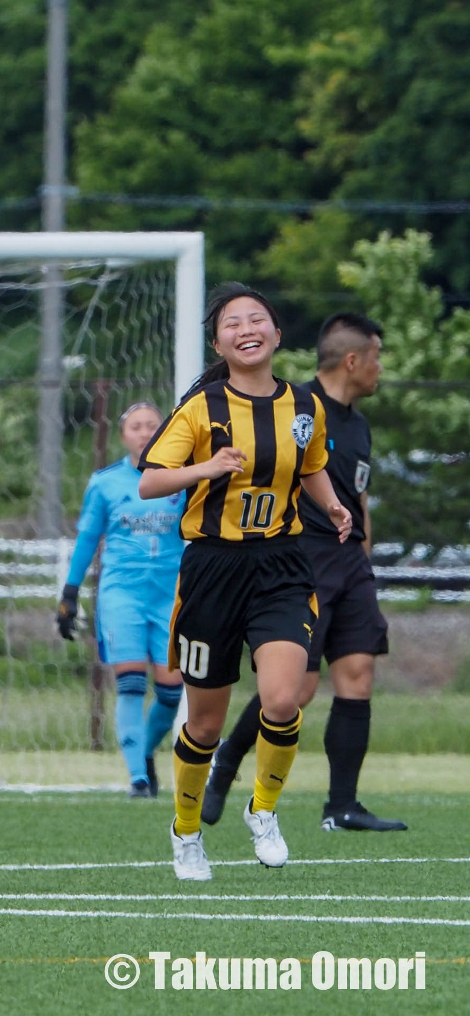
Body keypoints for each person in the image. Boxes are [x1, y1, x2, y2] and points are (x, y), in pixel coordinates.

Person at [138, 281, 352, 882]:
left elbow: (310, 467)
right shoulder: (202, 409)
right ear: (218, 343)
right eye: (233, 323)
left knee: (283, 701)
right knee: (204, 724)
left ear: (278, 335)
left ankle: (263, 810)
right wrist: (207, 467)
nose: (247, 329)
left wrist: (333, 506)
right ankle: (185, 833)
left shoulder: (304, 405)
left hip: (282, 566)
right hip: (211, 570)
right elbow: (150, 481)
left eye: (258, 319)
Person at [201, 313, 405, 832]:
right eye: (377, 356)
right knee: (297, 691)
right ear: (353, 360)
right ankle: (226, 761)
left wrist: (365, 557)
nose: (381, 368)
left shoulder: (359, 425)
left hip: (351, 564)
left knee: (358, 675)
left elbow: (357, 499)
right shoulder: (295, 405)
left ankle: (341, 807)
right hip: (301, 560)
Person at [57, 402, 185, 798]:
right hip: (122, 596)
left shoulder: (182, 480)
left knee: (171, 690)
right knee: (130, 684)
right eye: (136, 427)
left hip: (171, 597)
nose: (145, 432)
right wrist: (70, 592)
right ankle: (138, 779)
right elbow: (87, 539)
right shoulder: (105, 482)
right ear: (123, 435)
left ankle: (144, 752)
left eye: (152, 425)